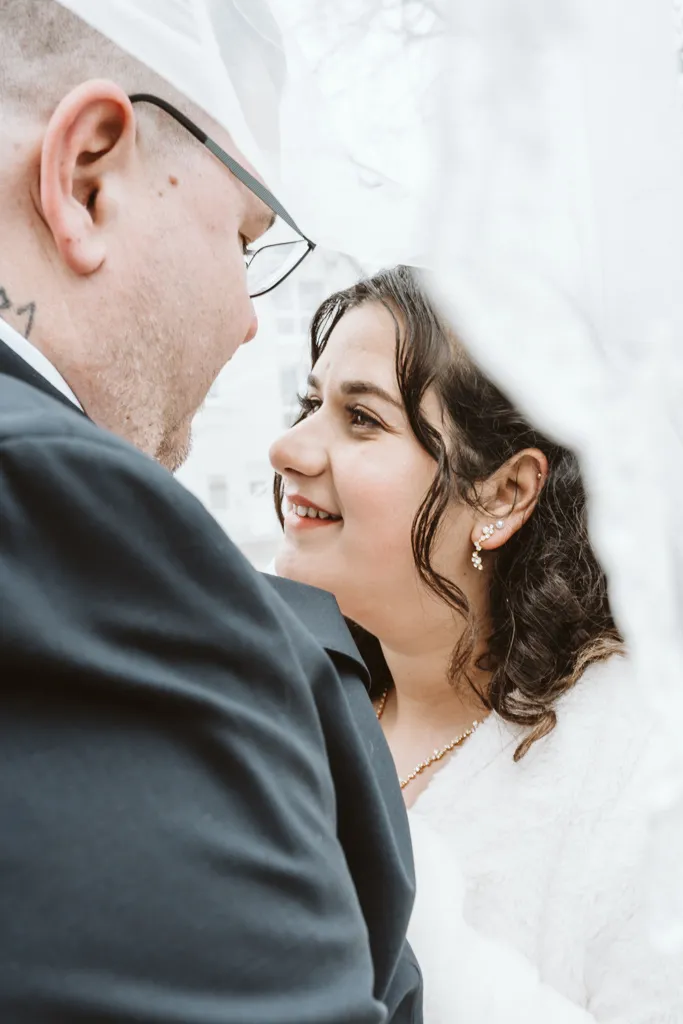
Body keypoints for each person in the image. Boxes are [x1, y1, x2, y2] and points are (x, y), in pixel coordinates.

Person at [0, 4, 421, 1022]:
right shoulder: (62, 507)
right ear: (87, 178)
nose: (244, 318)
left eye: (362, 416)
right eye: (243, 237)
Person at [269, 265, 682, 1022]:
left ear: (505, 492)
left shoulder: (647, 763)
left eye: (361, 418)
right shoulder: (287, 705)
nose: (287, 448)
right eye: (308, 404)